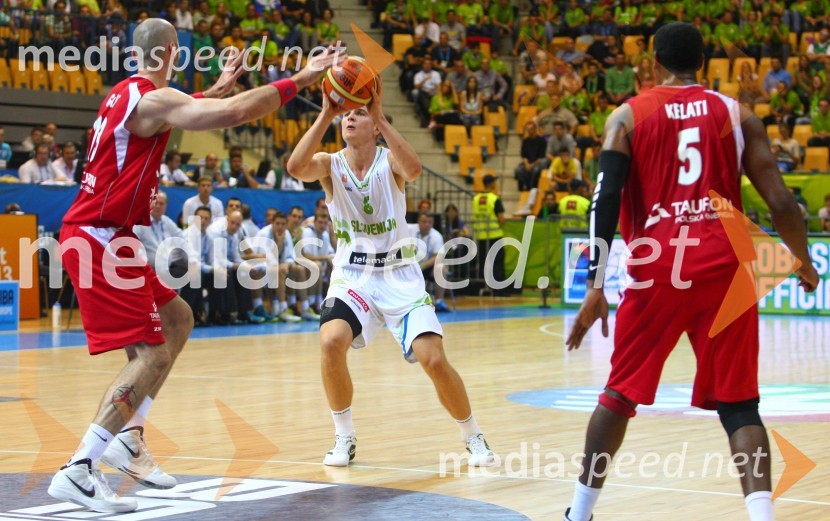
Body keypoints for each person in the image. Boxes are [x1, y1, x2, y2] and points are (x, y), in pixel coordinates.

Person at [50, 18, 341, 513]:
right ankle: (80, 466)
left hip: (109, 237)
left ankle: (129, 437)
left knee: (179, 318)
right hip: (98, 239)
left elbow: (176, 112)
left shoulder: (126, 94)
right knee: (154, 355)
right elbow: (228, 114)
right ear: (172, 53)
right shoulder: (153, 99)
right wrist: (305, 78)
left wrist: (212, 89)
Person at [563, 23, 819, 521]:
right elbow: (784, 203)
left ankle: (579, 513)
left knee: (618, 395)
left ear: (653, 63)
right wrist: (801, 259)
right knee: (740, 404)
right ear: (702, 62)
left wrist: (595, 284)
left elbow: (606, 198)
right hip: (726, 267)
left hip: (657, 264)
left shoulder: (627, 116)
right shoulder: (736, 113)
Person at [287, 79, 496, 468]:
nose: (351, 117)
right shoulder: (329, 165)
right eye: (346, 114)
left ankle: (473, 436)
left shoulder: (389, 162)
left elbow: (414, 170)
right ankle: (344, 436)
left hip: (400, 275)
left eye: (360, 113)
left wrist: (381, 116)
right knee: (331, 341)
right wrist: (324, 113)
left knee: (433, 359)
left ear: (375, 124)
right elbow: (296, 166)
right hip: (354, 277)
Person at [411, 211, 451, 312]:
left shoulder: (436, 236)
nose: (426, 224)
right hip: (409, 266)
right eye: (424, 221)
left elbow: (438, 256)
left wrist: (421, 266)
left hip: (425, 267)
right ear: (418, 221)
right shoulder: (408, 229)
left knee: (440, 267)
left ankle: (439, 301)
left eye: (429, 222)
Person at [471, 174, 505, 290]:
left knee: (483, 262)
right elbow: (501, 219)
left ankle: (482, 286)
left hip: (481, 236)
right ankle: (497, 288)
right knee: (497, 262)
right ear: (491, 184)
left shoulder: (476, 199)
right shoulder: (494, 199)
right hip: (495, 235)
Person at [515, 121, 549, 191]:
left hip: (538, 163)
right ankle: (528, 185)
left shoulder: (542, 141)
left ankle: (532, 187)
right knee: (518, 170)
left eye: (531, 129)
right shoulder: (525, 141)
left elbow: (541, 157)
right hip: (528, 162)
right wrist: (527, 164)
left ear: (535, 129)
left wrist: (532, 165)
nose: (529, 131)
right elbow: (523, 156)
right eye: (528, 129)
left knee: (535, 170)